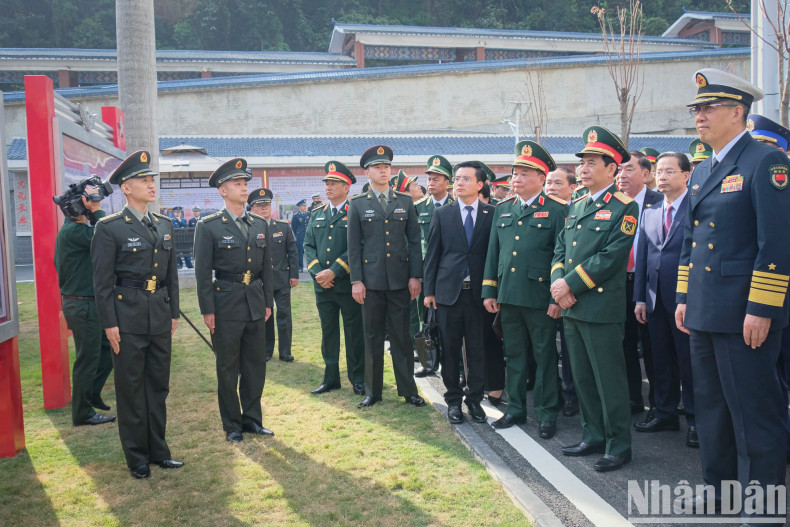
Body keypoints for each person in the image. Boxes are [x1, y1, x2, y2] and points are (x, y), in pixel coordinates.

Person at [674, 69, 789, 523]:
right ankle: (720, 490)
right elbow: (690, 239)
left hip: (744, 313)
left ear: (738, 112)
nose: (698, 116)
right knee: (712, 408)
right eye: (696, 109)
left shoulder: (765, 162)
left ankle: (763, 503)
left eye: (708, 108)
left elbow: (776, 244)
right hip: (704, 309)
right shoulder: (703, 167)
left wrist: (762, 308)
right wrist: (684, 296)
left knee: (755, 412)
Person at [550, 126, 638, 472]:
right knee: (583, 378)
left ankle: (618, 445)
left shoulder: (624, 208)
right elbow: (561, 248)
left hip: (599, 308)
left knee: (608, 380)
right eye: (582, 163)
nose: (583, 169)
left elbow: (610, 257)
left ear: (612, 169)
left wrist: (569, 285)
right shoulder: (577, 205)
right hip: (573, 307)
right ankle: (593, 436)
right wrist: (558, 282)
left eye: (591, 163)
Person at [91, 150, 182, 479]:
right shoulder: (109, 228)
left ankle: (159, 450)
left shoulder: (164, 224)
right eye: (143, 180)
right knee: (130, 388)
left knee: (158, 387)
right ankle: (137, 457)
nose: (150, 184)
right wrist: (109, 323)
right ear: (126, 188)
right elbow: (101, 283)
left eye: (151, 179)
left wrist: (174, 313)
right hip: (126, 319)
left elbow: (170, 275)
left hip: (158, 316)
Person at [483, 141, 567, 437]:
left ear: (541, 179)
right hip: (509, 295)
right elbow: (494, 253)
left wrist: (556, 298)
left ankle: (546, 413)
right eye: (515, 173)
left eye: (523, 174)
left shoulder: (558, 211)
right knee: (514, 355)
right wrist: (489, 291)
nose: (515, 179)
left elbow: (562, 256)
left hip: (541, 297)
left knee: (544, 357)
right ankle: (516, 408)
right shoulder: (503, 209)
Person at [193, 158, 274, 443]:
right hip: (225, 304)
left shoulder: (259, 223)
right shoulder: (209, 226)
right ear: (222, 191)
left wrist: (267, 302)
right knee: (228, 368)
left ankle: (252, 420)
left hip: (254, 303)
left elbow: (266, 268)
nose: (243, 188)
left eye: (244, 184)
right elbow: (202, 272)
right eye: (237, 184)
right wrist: (208, 310)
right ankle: (232, 425)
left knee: (255, 366)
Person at [347, 145, 425, 409]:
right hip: (370, 282)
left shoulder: (404, 201)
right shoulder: (357, 204)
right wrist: (356, 280)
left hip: (400, 281)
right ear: (366, 172)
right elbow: (353, 246)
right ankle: (373, 391)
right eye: (378, 167)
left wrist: (415, 275)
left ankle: (408, 390)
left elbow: (414, 241)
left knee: (402, 337)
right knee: (372, 337)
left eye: (387, 167)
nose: (383, 170)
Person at [423, 161, 495, 424]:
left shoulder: (492, 213)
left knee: (477, 350)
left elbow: (493, 255)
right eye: (457, 178)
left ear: (479, 184)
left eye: (466, 179)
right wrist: (429, 290)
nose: (459, 183)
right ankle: (453, 400)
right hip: (447, 294)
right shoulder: (443, 214)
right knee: (450, 350)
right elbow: (433, 253)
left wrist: (492, 290)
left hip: (478, 295)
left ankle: (474, 400)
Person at [633, 152, 696, 447]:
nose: (662, 177)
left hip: (687, 301)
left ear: (687, 175)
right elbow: (643, 260)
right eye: (659, 172)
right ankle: (664, 412)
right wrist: (640, 300)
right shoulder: (651, 212)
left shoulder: (697, 208)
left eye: (670, 171)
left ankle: (696, 419)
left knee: (690, 362)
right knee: (659, 362)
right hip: (655, 301)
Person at [55, 184, 115, 427]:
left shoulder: (76, 231)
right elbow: (106, 235)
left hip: (88, 304)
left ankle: (91, 395)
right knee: (87, 359)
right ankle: (82, 413)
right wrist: (98, 210)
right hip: (82, 306)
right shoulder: (74, 233)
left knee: (108, 352)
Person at [306, 161, 365, 396]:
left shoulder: (355, 212)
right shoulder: (317, 214)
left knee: (354, 334)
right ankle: (330, 378)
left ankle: (357, 378)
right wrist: (319, 273)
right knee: (328, 333)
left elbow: (358, 246)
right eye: (327, 184)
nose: (329, 188)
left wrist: (335, 271)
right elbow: (308, 246)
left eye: (334, 183)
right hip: (323, 287)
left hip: (347, 284)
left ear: (347, 186)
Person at [617, 151, 662, 418]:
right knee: (624, 345)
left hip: (649, 283)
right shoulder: (614, 204)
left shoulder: (659, 201)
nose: (622, 175)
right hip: (620, 283)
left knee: (654, 346)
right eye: (619, 170)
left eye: (629, 170)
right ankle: (632, 399)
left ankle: (660, 404)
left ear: (646, 175)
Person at [413, 155, 454, 377]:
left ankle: (452, 364)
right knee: (424, 318)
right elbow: (412, 243)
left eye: (436, 178)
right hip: (425, 273)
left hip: (448, 274)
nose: (431, 183)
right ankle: (428, 363)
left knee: (449, 321)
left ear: (447, 182)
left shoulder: (455, 206)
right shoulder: (419, 208)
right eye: (429, 178)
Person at [544, 166, 580, 417]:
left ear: (572, 188)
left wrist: (561, 292)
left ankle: (571, 394)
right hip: (546, 290)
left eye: (557, 183)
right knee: (546, 347)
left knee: (569, 349)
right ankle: (551, 390)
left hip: (570, 291)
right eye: (548, 183)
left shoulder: (575, 211)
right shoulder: (541, 211)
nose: (551, 188)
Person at [248, 188, 298, 362]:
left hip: (281, 279)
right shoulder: (250, 229)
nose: (264, 208)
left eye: (267, 205)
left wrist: (294, 274)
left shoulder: (283, 227)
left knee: (284, 315)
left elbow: (292, 252)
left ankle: (285, 352)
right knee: (265, 317)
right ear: (252, 208)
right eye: (260, 206)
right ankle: (267, 351)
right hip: (260, 282)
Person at [291, 199, 310, 271]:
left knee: (308, 252)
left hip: (308, 236)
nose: (305, 207)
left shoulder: (308, 214)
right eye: (303, 206)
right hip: (300, 236)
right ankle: (300, 267)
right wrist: (297, 235)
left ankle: (309, 266)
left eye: (305, 206)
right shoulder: (296, 216)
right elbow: (294, 227)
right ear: (299, 207)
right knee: (300, 252)